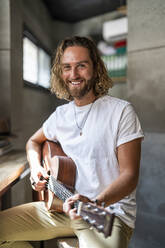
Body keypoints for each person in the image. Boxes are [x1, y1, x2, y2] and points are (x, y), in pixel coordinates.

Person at [0, 36, 144, 248]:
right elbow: (33, 141)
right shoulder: (61, 115)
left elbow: (130, 176)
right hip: (63, 208)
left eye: (81, 66)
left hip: (106, 214)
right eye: (67, 67)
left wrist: (95, 202)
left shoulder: (121, 111)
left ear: (96, 68)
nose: (73, 74)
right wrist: (37, 167)